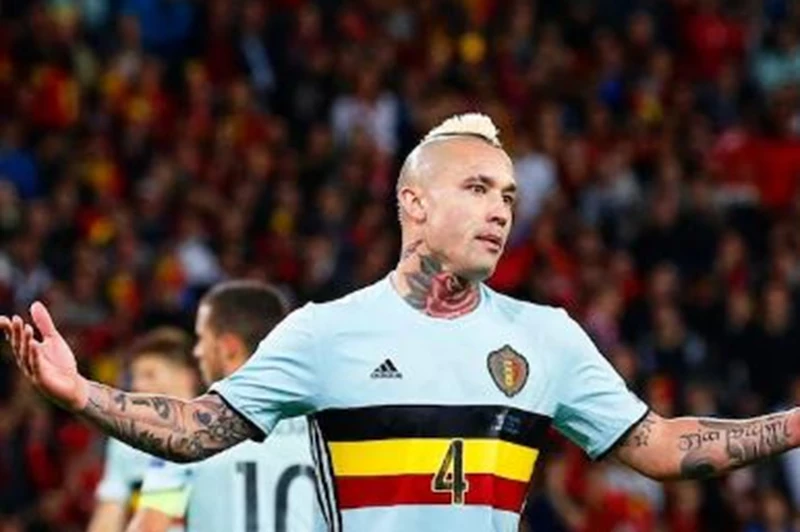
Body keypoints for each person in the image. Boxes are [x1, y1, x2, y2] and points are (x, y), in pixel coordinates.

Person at [3, 113, 799, 532]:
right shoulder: (323, 333)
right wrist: (80, 395)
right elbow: (197, 429)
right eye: (477, 189)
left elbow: (662, 447)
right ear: (414, 204)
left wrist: (795, 424)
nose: (500, 211)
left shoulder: (548, 336)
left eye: (509, 196)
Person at [126, 281, 320, 532]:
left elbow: (149, 528)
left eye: (201, 338)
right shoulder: (324, 423)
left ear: (229, 348)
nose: (197, 352)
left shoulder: (189, 429)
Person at [87, 328, 199, 532]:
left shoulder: (220, 435)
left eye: (149, 375)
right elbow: (110, 512)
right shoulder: (125, 443)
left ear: (186, 377)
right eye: (135, 377)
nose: (138, 385)